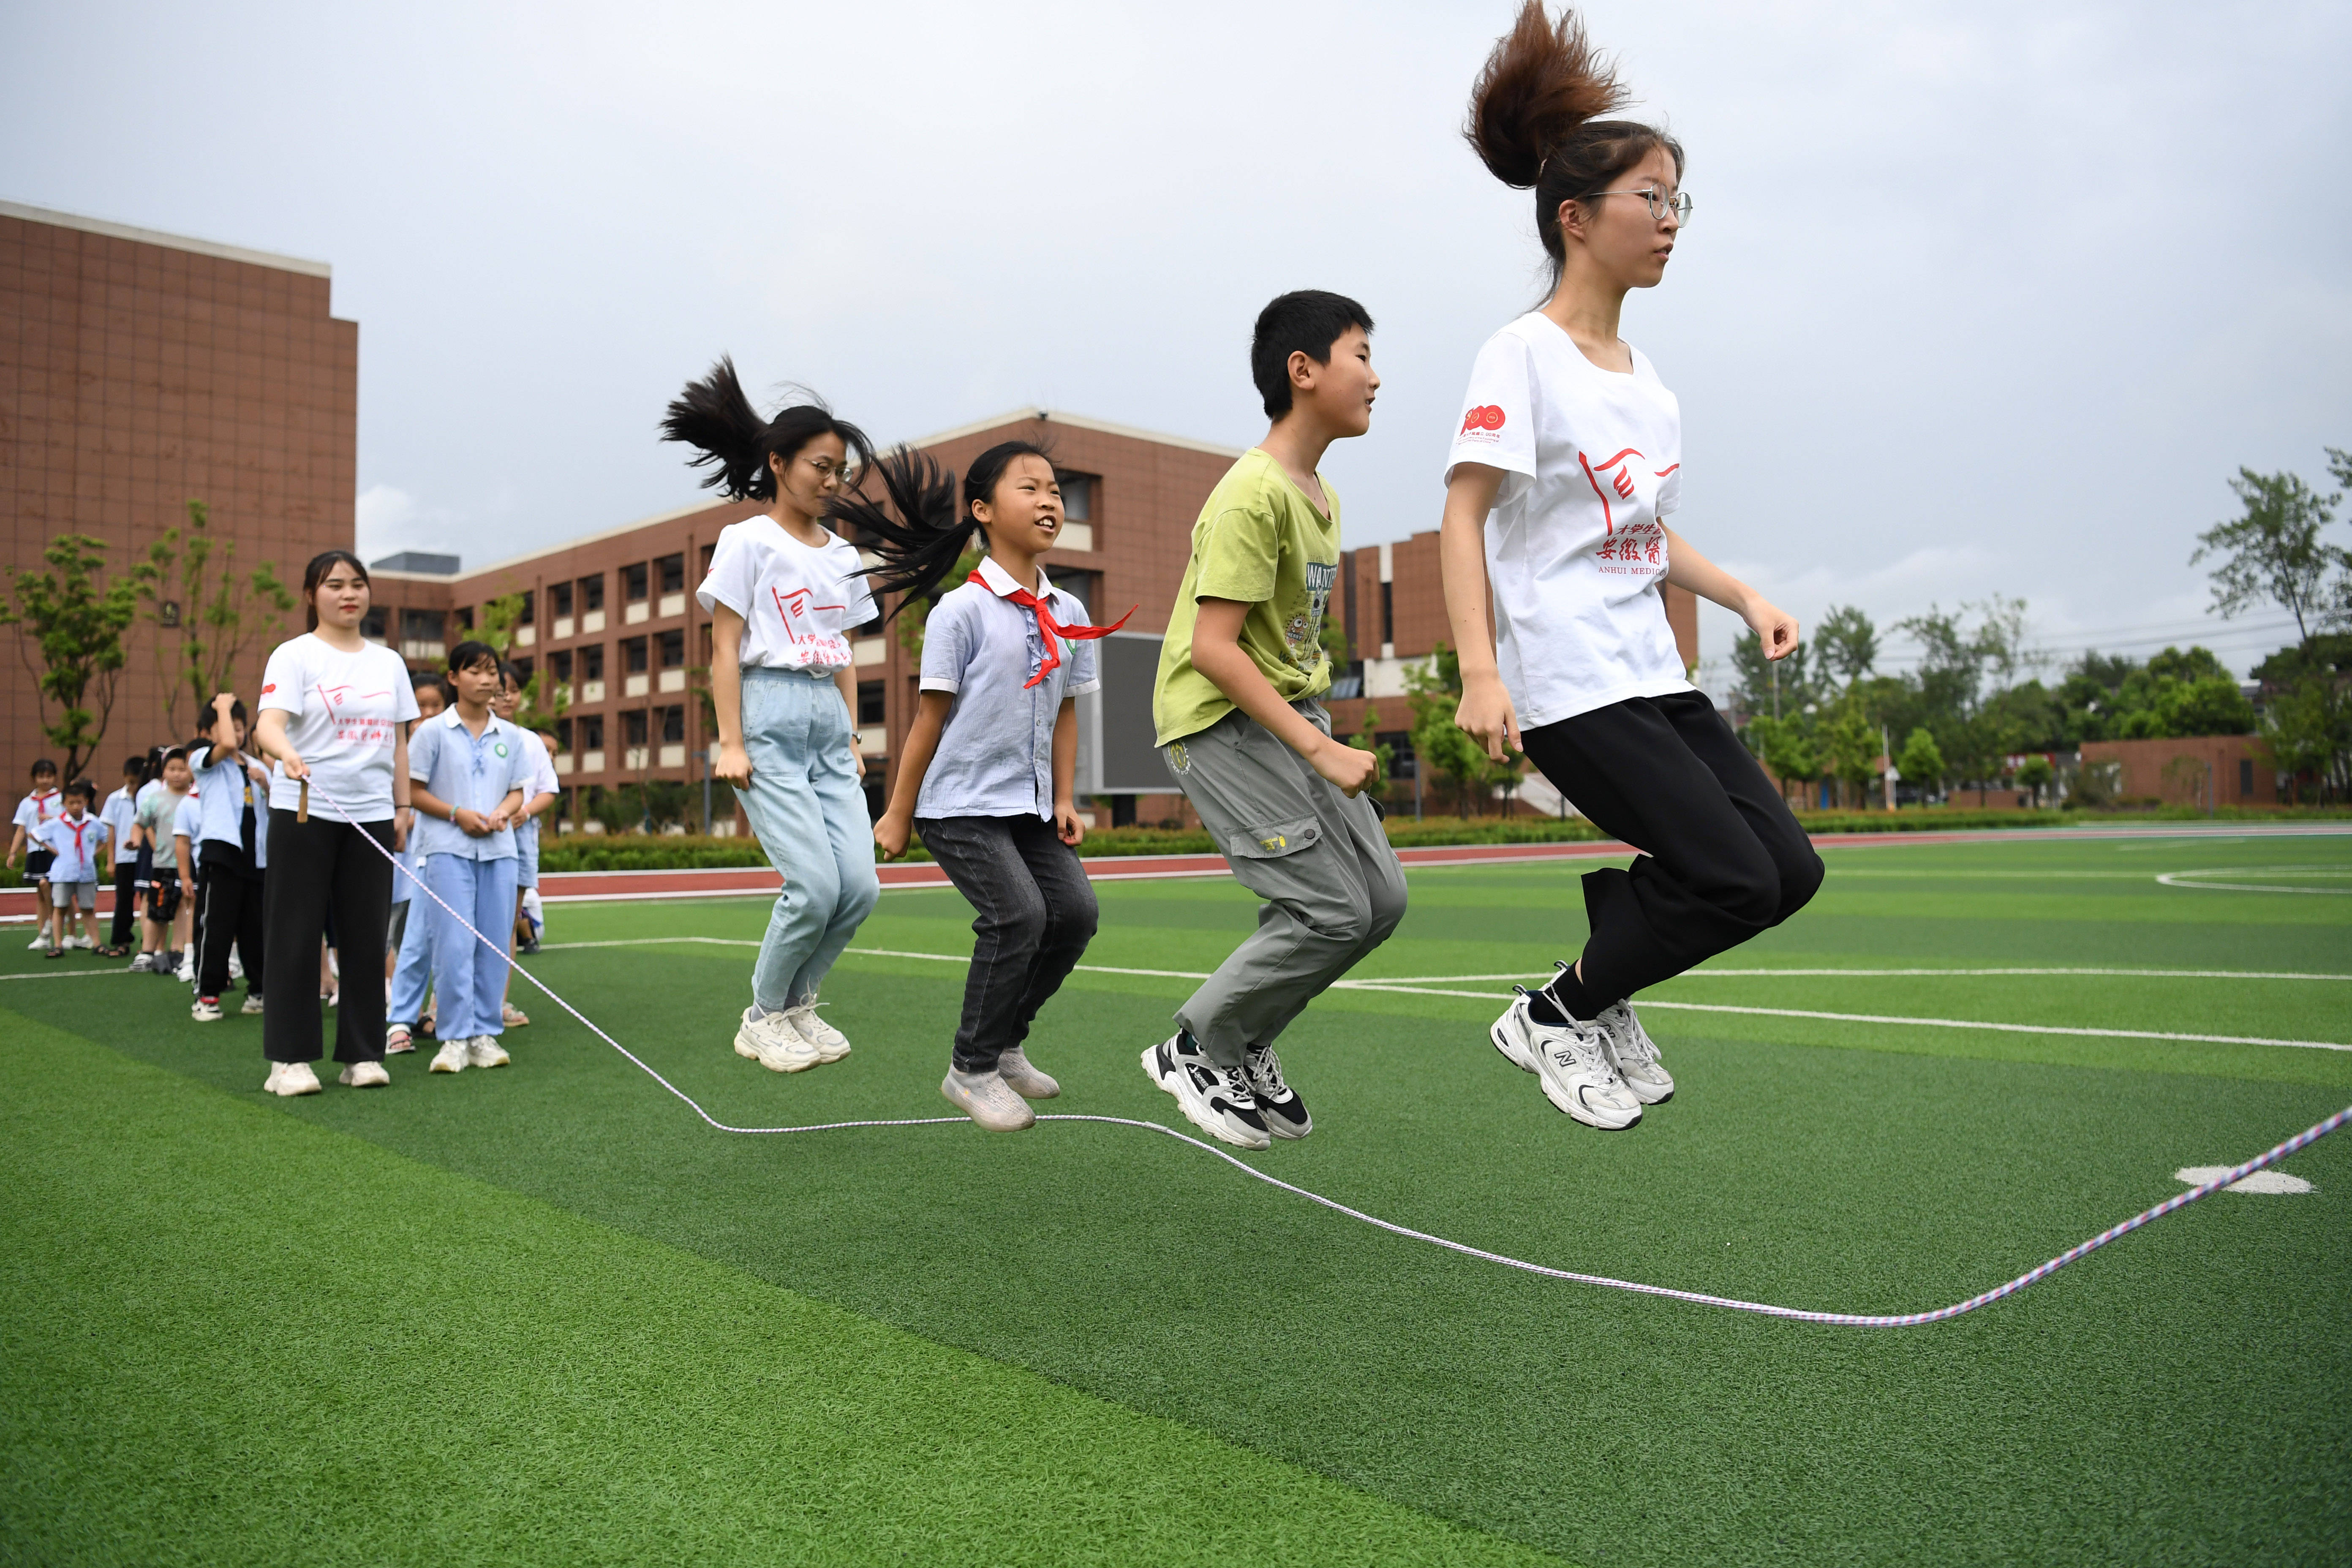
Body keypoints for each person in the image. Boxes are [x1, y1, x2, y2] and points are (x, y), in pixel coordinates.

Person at [1441, 3, 1822, 1130]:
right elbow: (1463, 517)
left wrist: (1744, 596)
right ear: (1576, 218)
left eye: (1676, 201)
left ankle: (1604, 971)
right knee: (1733, 878)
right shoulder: (1522, 354)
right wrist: (1479, 672)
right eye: (1650, 200)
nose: (1670, 222)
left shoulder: (1648, 383)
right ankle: (1558, 1013)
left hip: (1652, 673)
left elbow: (1645, 535)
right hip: (1571, 683)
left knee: (1787, 872)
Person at [1142, 291, 1404, 1152]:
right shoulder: (1250, 494)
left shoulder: (1319, 493)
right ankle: (1194, 1044)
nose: (1375, 375)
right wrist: (1321, 746)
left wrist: (1316, 724)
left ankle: (1244, 1039)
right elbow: (1215, 648)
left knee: (1381, 901)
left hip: (1290, 710)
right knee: (1331, 909)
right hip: (1218, 721)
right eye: (1360, 354)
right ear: (1305, 370)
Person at [843, 442, 1112, 1131]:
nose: (1050, 501)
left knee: (1075, 914)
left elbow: (1067, 713)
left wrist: (1064, 798)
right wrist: (897, 813)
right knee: (1018, 915)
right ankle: (970, 1070)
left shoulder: (1069, 608)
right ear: (984, 511)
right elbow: (928, 720)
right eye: (1031, 488)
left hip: (1027, 805)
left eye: (1055, 489)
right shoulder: (959, 612)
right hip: (958, 803)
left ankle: (1005, 1043)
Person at [662, 356, 879, 1075]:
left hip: (825, 715)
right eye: (820, 465)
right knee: (812, 886)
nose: (830, 479)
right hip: (767, 709)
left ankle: (799, 1003)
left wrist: (852, 733)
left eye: (840, 470)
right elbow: (723, 645)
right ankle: (762, 1015)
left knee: (859, 886)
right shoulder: (748, 540)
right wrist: (729, 739)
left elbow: (844, 650)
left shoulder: (843, 553)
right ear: (779, 463)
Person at [250, 550, 421, 1096]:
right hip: (305, 808)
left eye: (357, 585)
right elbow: (268, 726)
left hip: (371, 814)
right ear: (311, 595)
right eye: (334, 585)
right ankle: (289, 1061)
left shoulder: (388, 663)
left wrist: (402, 807)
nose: (349, 594)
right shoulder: (293, 656)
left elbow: (398, 744)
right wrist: (287, 755)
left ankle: (363, 1055)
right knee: (296, 934)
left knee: (366, 937)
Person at [407, 640, 528, 1075]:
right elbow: (413, 790)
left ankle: (483, 1033)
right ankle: (454, 1037)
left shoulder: (511, 736)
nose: (487, 679)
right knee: (454, 943)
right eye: (474, 671)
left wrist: (504, 811)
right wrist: (458, 814)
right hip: (447, 849)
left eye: (491, 671)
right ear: (454, 677)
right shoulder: (432, 732)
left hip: (498, 851)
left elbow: (518, 789)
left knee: (494, 943)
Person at [188, 695, 272, 1021]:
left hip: (256, 857)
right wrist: (221, 706)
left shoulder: (258, 766)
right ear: (211, 731)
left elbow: (278, 806)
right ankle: (207, 995)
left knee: (255, 928)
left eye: (240, 729)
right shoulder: (204, 760)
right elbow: (224, 743)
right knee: (217, 926)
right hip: (222, 854)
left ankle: (258, 991)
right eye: (229, 727)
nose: (235, 735)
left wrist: (266, 784)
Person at [385, 672, 447, 1053]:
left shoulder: (448, 744)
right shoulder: (395, 749)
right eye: (419, 706)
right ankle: (401, 1015)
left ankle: (434, 1013)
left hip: (434, 861)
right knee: (398, 942)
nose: (426, 713)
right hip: (395, 861)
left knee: (436, 941)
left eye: (434, 706)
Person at [133, 747, 194, 975]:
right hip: (163, 864)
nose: (177, 774)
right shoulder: (154, 799)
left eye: (182, 769)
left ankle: (176, 951)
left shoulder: (195, 797)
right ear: (163, 771)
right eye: (172, 769)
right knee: (157, 909)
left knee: (182, 906)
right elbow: (140, 822)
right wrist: (138, 841)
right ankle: (147, 952)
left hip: (188, 865)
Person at [34, 779, 106, 958]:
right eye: (71, 803)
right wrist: (53, 850)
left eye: (79, 802)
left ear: (86, 802)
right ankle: (58, 945)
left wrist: (94, 854)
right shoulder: (58, 823)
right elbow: (35, 834)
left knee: (88, 909)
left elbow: (107, 837)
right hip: (63, 873)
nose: (75, 806)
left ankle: (97, 943)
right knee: (60, 908)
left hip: (86, 872)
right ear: (64, 804)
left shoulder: (93, 822)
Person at [10, 758, 63, 953]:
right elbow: (21, 829)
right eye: (41, 776)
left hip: (55, 850)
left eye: (49, 776)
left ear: (55, 777)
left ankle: (55, 927)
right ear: (34, 778)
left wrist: (53, 818)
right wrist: (14, 853)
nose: (45, 780)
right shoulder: (27, 803)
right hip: (35, 850)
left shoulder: (60, 799)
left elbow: (69, 821)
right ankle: (43, 935)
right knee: (40, 894)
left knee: (48, 886)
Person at [98, 755, 147, 957]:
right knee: (124, 901)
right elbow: (112, 832)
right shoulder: (115, 799)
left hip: (146, 858)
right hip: (124, 859)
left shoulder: (150, 796)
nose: (134, 786)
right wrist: (111, 861)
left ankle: (149, 943)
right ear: (124, 777)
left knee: (148, 901)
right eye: (131, 782)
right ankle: (121, 940)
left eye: (138, 782)